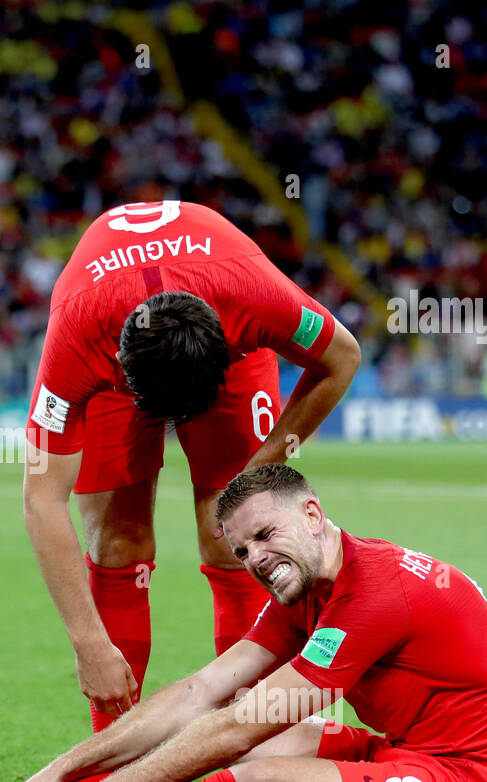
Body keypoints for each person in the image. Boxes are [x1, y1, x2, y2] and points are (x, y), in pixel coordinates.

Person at [0, 463, 487, 782]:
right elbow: (203, 692)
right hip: (404, 754)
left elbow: (240, 724)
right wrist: (59, 772)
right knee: (257, 745)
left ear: (313, 515)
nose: (255, 559)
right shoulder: (308, 583)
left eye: (265, 534)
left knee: (256, 775)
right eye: (242, 550)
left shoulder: (376, 594)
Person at [23, 200, 361, 746]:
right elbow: (42, 500)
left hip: (215, 330)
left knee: (238, 533)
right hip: (116, 351)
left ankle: (254, 743)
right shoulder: (79, 334)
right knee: (118, 540)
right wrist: (89, 645)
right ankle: (116, 753)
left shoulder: (251, 296)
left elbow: (342, 356)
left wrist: (266, 462)